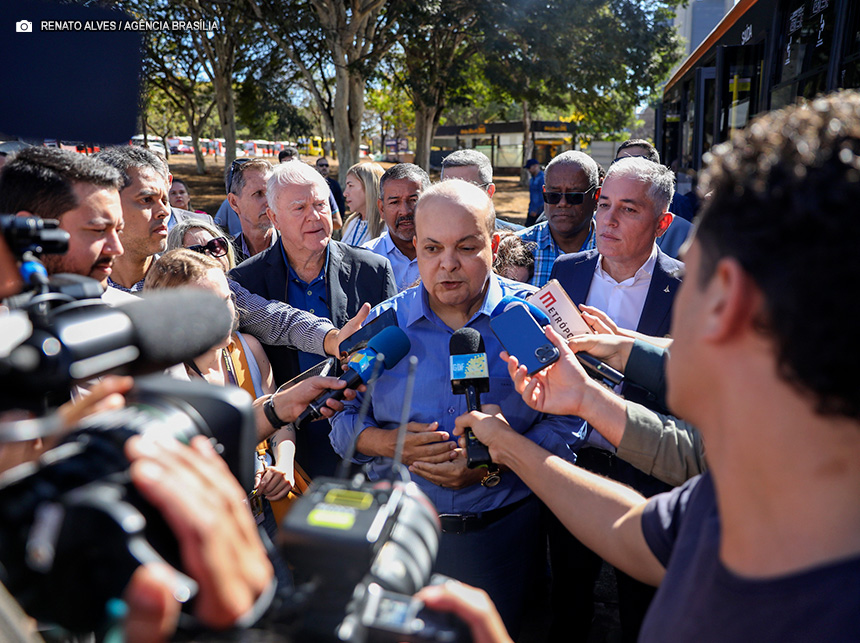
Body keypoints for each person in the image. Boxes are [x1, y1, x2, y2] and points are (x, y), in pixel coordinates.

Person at [454, 90, 860, 643]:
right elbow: (634, 530)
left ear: (729, 303)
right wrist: (536, 431)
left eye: (695, 273)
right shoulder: (759, 473)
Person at [330, 179, 586, 636]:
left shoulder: (528, 320)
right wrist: (389, 444)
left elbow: (570, 421)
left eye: (466, 247)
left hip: (507, 539)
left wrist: (502, 461)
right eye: (431, 249)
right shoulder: (381, 328)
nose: (447, 265)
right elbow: (340, 418)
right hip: (399, 536)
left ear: (496, 243)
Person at [547, 154, 682, 641]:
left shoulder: (686, 287)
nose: (607, 219)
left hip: (650, 469)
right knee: (569, 595)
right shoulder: (568, 270)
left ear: (662, 222)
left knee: (642, 606)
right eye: (603, 205)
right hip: (576, 457)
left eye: (628, 209)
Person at [230, 160, 397, 477]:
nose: (314, 216)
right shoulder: (244, 281)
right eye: (300, 208)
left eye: (320, 204)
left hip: (365, 447)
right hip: (290, 454)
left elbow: (393, 356)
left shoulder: (372, 270)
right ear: (274, 218)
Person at [144, 249, 297, 539]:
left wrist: (283, 464)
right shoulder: (164, 380)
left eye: (227, 299)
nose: (226, 314)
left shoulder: (247, 349)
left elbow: (280, 423)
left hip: (270, 519)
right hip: (213, 537)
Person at [0, 147, 127, 301]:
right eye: (99, 230)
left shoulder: (127, 314)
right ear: (28, 227)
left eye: (118, 230)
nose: (117, 249)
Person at [90, 146, 171, 293]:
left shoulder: (185, 288)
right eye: (147, 200)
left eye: (164, 201)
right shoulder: (73, 292)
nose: (164, 212)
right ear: (108, 204)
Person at [516, 151, 600, 287]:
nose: (562, 203)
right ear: (544, 193)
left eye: (574, 196)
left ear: (596, 196)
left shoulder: (615, 252)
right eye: (553, 195)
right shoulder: (517, 249)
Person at [612, 139, 693, 257]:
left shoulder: (679, 209)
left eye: (639, 162)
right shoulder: (603, 216)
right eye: (620, 162)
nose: (628, 168)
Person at [362, 163, 428, 292]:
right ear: (381, 208)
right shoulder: (365, 259)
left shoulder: (449, 257)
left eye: (414, 200)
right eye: (394, 202)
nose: (405, 211)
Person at [440, 149, 523, 231]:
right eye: (448, 188)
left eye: (468, 190)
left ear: (489, 191)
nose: (455, 197)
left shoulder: (521, 239)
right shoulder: (428, 235)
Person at [226, 158, 277, 264]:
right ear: (234, 202)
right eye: (258, 193)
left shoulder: (296, 248)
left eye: (272, 193)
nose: (269, 202)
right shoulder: (225, 260)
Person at [340, 161, 386, 246]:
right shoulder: (351, 223)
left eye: (350, 186)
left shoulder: (387, 228)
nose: (345, 193)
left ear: (369, 188)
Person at [523, 158, 544, 227]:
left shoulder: (542, 178)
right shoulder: (532, 179)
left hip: (539, 212)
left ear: (536, 166)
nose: (528, 170)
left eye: (529, 167)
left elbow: (543, 196)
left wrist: (536, 210)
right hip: (532, 210)